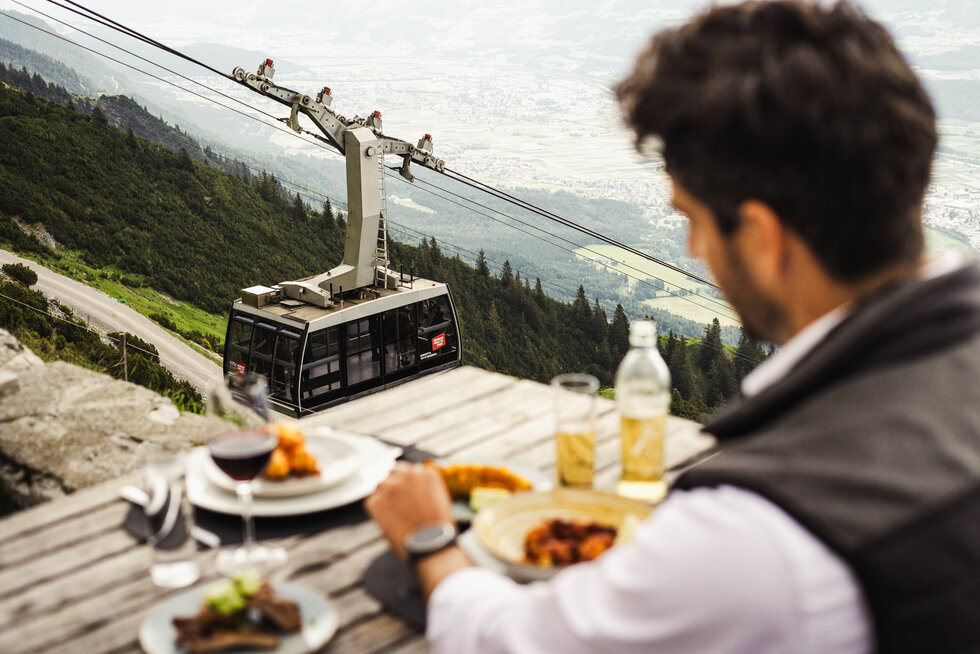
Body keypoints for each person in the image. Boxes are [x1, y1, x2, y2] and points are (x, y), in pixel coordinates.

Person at [366, 1, 980, 652]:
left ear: (763, 238)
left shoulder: (756, 537)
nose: (692, 247)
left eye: (693, 218)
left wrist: (429, 541)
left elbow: (518, 642)